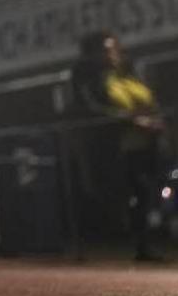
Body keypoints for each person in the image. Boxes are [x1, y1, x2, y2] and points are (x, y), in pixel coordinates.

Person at [72, 31, 169, 262]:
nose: (113, 53)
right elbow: (93, 108)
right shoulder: (93, 78)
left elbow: (147, 98)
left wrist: (156, 120)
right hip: (118, 146)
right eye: (106, 50)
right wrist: (132, 121)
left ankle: (152, 240)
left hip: (148, 141)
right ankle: (134, 244)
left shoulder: (129, 73)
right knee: (131, 193)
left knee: (149, 191)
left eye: (114, 48)